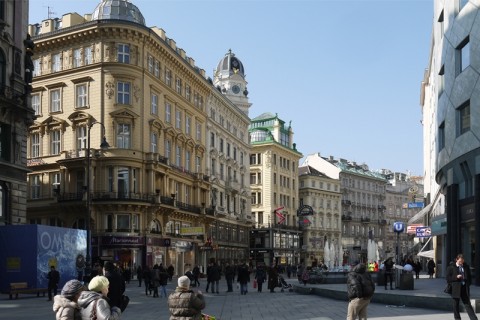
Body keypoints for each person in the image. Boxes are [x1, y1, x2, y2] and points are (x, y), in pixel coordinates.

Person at [446, 254, 478, 320]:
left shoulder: (466, 267)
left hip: (464, 288)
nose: (461, 263)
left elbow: (469, 276)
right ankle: (457, 318)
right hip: (456, 288)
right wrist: (456, 277)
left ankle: (474, 318)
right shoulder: (451, 267)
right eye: (460, 261)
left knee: (467, 304)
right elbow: (448, 278)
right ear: (456, 260)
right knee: (456, 304)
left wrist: (468, 283)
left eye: (462, 261)